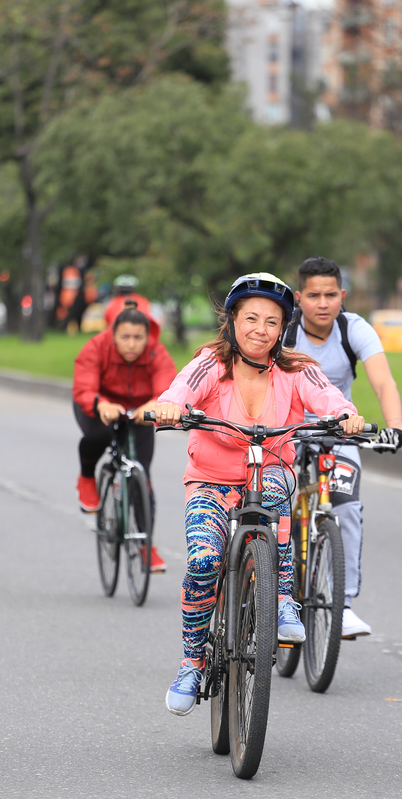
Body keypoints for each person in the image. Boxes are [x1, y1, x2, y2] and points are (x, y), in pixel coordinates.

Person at [151, 273, 365, 715]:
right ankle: (192, 663)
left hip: (270, 471)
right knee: (203, 562)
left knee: (273, 489)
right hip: (211, 482)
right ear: (232, 319)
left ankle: (283, 598)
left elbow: (328, 397)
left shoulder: (297, 368)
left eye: (272, 322)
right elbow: (182, 387)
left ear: (283, 328)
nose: (260, 330)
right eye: (251, 318)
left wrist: (346, 414)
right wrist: (171, 406)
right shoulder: (212, 363)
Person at [283, 257, 402, 638]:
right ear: (299, 298)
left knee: (346, 506)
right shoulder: (284, 332)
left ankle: (344, 604)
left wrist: (395, 427)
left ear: (343, 295)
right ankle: (269, 588)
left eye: (331, 295)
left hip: (339, 432)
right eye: (314, 296)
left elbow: (383, 382)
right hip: (285, 432)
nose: (323, 304)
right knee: (271, 506)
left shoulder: (353, 328)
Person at [72, 304, 177, 572]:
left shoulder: (157, 352)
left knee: (142, 476)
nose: (131, 344)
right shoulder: (96, 347)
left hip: (139, 412)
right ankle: (87, 478)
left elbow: (168, 387)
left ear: (147, 337)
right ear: (113, 335)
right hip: (100, 407)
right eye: (125, 337)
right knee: (99, 433)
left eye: (138, 337)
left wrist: (155, 403)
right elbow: (83, 387)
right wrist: (101, 405)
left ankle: (146, 546)